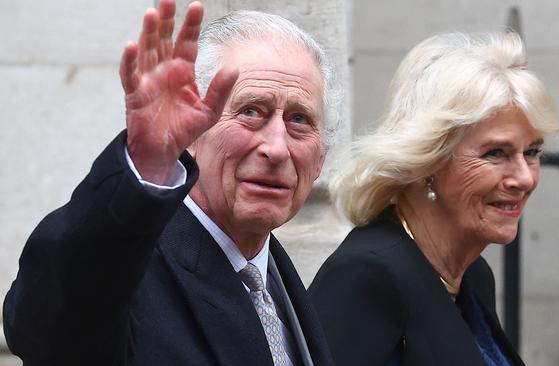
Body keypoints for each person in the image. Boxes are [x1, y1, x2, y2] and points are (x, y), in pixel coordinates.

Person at [3, 1, 339, 365]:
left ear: (320, 159)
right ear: (192, 131)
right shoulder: (132, 271)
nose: (276, 148)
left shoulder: (272, 276)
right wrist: (144, 168)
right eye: (250, 111)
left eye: (299, 119)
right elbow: (51, 325)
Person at [308, 31, 559, 366]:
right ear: (427, 160)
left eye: (532, 152)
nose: (524, 178)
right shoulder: (367, 275)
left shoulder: (473, 275)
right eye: (496, 153)